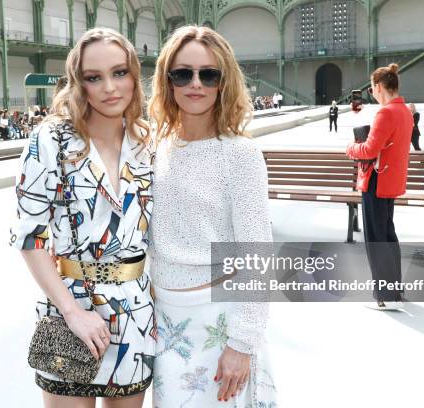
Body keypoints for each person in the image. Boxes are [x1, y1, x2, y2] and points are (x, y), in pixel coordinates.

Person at [10, 27, 155, 407]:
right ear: (79, 83)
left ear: (135, 76)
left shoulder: (148, 142)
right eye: (94, 77)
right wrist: (73, 313)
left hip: (134, 312)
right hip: (69, 305)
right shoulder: (50, 140)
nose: (110, 87)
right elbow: (30, 237)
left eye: (120, 72)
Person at [148, 25, 276, 406]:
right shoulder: (155, 149)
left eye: (209, 74)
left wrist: (241, 342)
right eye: (183, 73)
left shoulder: (239, 154)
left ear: (224, 82)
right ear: (167, 80)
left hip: (221, 323)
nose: (196, 83)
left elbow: (257, 253)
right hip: (164, 324)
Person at [345, 63, 413, 310]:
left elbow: (369, 150)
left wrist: (351, 148)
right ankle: (395, 289)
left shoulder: (385, 113)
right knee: (387, 235)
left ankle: (384, 295)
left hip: (376, 180)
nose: (371, 92)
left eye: (372, 88)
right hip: (390, 180)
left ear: (378, 87)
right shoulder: (404, 110)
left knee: (376, 238)